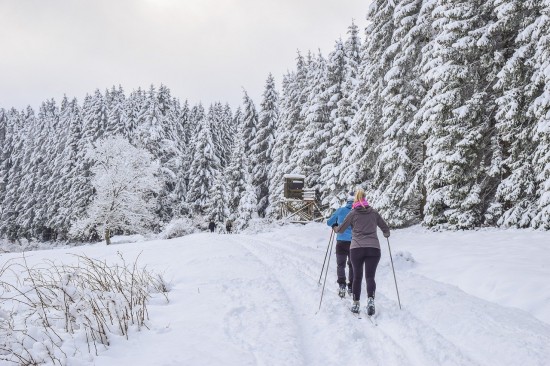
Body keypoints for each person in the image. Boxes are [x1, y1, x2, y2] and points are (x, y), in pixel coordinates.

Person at [334, 188, 390, 316]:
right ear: (365, 199)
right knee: (370, 277)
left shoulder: (353, 213)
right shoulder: (374, 213)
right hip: (374, 248)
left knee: (357, 277)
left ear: (355, 201)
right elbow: (385, 228)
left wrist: (335, 227)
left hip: (357, 249)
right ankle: (370, 300)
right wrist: (386, 234)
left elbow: (341, 229)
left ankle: (356, 303)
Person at [326, 191, 355, 298]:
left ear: (347, 201)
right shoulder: (358, 212)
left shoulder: (341, 210)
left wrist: (335, 224)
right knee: (352, 265)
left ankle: (342, 285)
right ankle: (351, 286)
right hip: (354, 242)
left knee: (340, 265)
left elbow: (329, 222)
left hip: (341, 242)